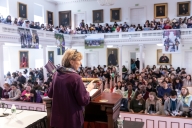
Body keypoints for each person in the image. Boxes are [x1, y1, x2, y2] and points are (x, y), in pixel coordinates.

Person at [48, 49, 94, 128]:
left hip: (58, 120)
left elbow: (50, 94)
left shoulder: (56, 74)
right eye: (79, 60)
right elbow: (84, 100)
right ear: (71, 62)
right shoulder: (76, 77)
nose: (81, 63)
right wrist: (88, 89)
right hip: (72, 120)